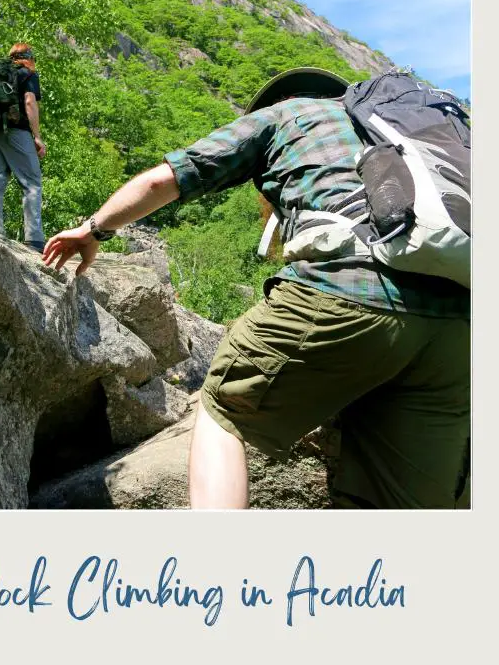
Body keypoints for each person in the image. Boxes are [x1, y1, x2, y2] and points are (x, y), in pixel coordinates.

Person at [42, 67, 470, 510]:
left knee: (225, 408)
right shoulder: (394, 132)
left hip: (347, 290)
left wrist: (94, 229)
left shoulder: (286, 115)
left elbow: (163, 180)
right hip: (459, 328)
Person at [0, 42, 47, 253]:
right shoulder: (27, 74)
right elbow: (29, 103)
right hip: (15, 131)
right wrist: (37, 136)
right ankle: (35, 239)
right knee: (32, 183)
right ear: (29, 57)